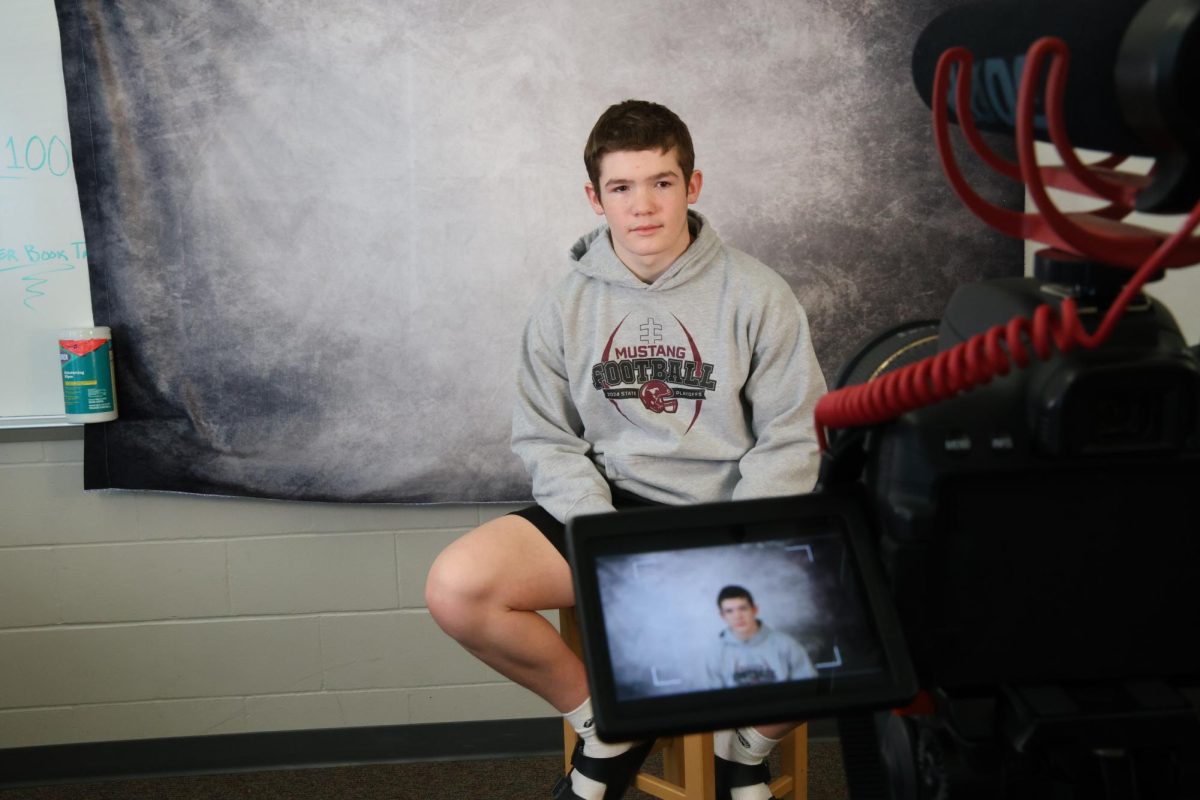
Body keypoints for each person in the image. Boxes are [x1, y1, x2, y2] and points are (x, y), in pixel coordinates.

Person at [425, 99, 826, 800]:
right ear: (595, 196)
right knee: (456, 588)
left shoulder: (759, 294)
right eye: (622, 187)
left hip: (728, 513)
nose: (644, 205)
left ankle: (746, 747)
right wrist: (601, 536)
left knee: (862, 599)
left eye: (662, 183)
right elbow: (546, 439)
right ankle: (607, 724)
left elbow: (792, 435)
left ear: (692, 186)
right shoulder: (563, 305)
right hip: (613, 508)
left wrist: (731, 541)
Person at [707, 585, 817, 688]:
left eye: (743, 608)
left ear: (754, 609)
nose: (737, 616)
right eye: (729, 611)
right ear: (722, 616)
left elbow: (809, 689)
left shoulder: (786, 645)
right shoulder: (715, 653)